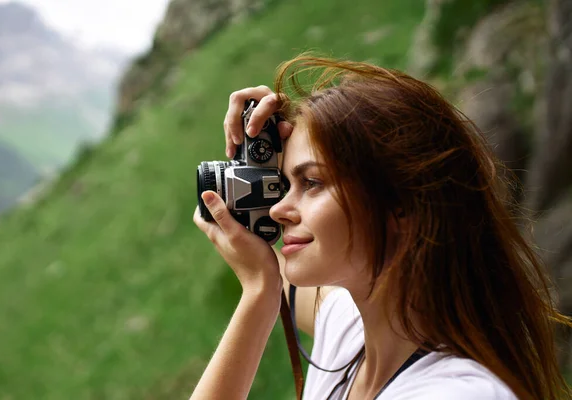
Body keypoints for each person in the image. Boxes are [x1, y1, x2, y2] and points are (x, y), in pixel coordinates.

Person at [191, 54, 572, 400]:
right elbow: (274, 275)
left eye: (312, 183)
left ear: (401, 202)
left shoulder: (456, 393)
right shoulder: (349, 329)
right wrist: (259, 160)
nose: (280, 210)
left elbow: (270, 283)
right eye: (285, 184)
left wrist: (259, 291)